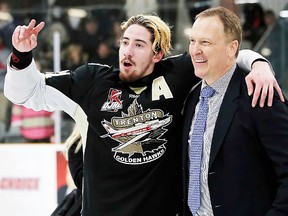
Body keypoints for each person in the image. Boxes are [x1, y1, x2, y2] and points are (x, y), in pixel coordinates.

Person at [4, 14, 284, 216]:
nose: (127, 50)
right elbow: (28, 93)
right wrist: (21, 56)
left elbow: (223, 53)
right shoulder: (92, 80)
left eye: (139, 45)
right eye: (125, 42)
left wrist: (258, 64)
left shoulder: (178, 75)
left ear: (158, 54)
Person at [182, 6, 288, 216]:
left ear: (232, 48)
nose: (195, 50)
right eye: (193, 40)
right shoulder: (193, 95)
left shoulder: (260, 94)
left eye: (205, 42)